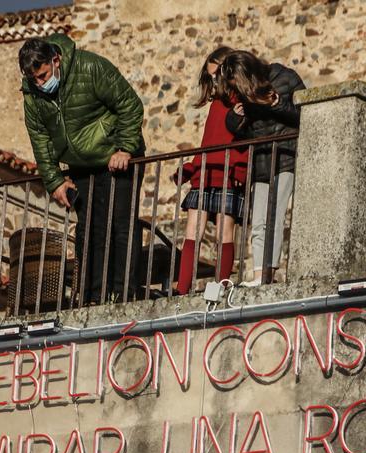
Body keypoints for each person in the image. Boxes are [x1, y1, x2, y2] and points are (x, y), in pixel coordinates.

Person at [18, 34, 145, 304]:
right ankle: (92, 296)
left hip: (115, 157)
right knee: (89, 230)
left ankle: (125, 294)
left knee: (121, 225)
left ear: (56, 59)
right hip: (80, 166)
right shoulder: (32, 95)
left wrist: (125, 148)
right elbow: (39, 138)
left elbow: (130, 105)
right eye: (34, 80)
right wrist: (54, 182)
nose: (41, 84)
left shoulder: (90, 67)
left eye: (43, 75)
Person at [221, 50, 305, 286]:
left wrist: (279, 105)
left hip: (286, 155)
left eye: (236, 82)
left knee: (275, 215)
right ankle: (260, 275)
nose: (236, 88)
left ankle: (269, 273)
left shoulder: (285, 78)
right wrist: (234, 121)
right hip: (261, 160)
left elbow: (308, 115)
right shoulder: (244, 95)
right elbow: (248, 132)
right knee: (258, 220)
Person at [173, 46, 247, 295]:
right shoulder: (216, 104)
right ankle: (182, 289)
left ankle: (221, 288)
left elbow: (243, 141)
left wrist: (240, 169)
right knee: (192, 230)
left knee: (224, 232)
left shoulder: (241, 100)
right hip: (205, 170)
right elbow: (208, 142)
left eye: (218, 74)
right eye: (211, 76)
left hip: (228, 170)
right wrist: (191, 168)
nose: (214, 80)